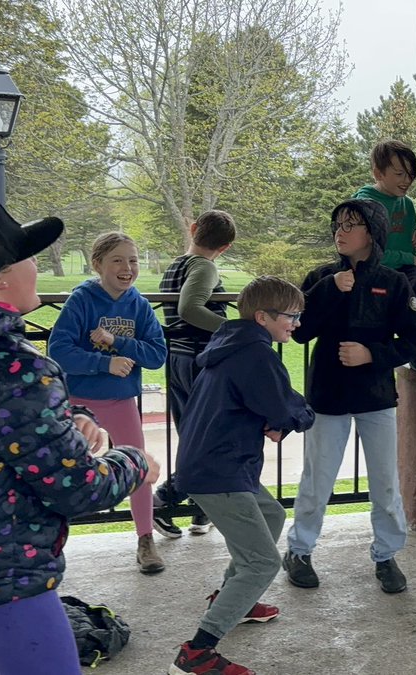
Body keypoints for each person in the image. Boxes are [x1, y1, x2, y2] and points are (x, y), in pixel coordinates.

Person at [0, 195, 158, 675]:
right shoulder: (14, 366)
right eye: (28, 257)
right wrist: (134, 461)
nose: (37, 266)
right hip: (1, 579)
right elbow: (78, 488)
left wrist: (66, 413)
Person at [169, 275, 315, 675]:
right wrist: (294, 418)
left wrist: (282, 418)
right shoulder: (256, 354)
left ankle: (235, 600)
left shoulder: (233, 345)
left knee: (271, 515)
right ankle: (197, 654)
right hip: (220, 471)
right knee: (262, 563)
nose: (296, 324)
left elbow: (272, 405)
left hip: (219, 464)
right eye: (291, 316)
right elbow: (286, 407)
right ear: (262, 316)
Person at [283, 198, 416, 593]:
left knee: (384, 483)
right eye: (338, 225)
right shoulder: (321, 276)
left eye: (351, 225)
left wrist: (372, 355)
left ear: (372, 234)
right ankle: (299, 550)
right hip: (327, 395)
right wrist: (329, 288)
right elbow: (299, 330)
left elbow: (415, 341)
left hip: (376, 396)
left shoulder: (395, 283)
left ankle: (386, 554)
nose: (340, 232)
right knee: (318, 479)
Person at [47, 232, 167, 574]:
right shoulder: (81, 300)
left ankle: (146, 540)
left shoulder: (139, 305)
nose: (127, 268)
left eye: (133, 260)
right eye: (117, 260)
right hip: (77, 404)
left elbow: (158, 354)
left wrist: (119, 343)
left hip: (121, 401)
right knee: (63, 472)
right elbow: (59, 351)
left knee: (140, 469)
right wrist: (105, 363)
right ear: (97, 264)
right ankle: (50, 544)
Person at [153, 210, 237, 537]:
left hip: (178, 358)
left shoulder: (176, 265)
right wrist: (233, 328)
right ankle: (164, 499)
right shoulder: (203, 266)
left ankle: (202, 511)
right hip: (198, 360)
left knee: (193, 435)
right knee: (209, 437)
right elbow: (190, 309)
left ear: (193, 229)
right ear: (226, 247)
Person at [352, 139, 416, 368]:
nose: (407, 180)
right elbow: (367, 252)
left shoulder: (406, 204)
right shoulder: (364, 203)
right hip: (375, 270)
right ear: (378, 173)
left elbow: (407, 244)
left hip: (402, 271)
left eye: (410, 174)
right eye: (399, 174)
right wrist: (411, 259)